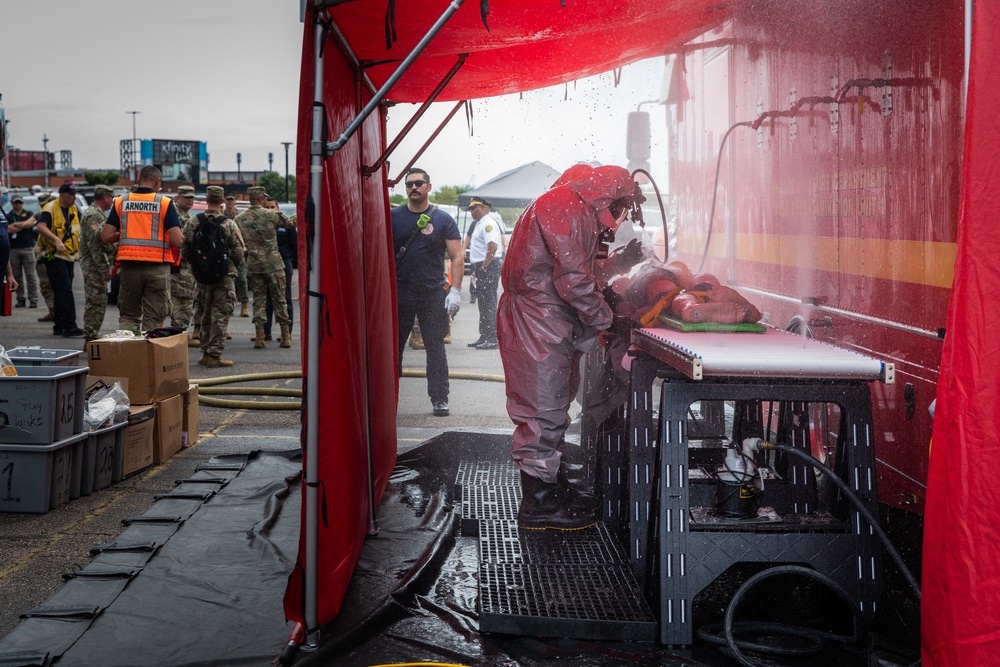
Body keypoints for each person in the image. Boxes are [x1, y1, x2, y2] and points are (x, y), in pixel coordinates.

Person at [497, 164, 641, 529]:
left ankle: (550, 488)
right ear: (609, 198)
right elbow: (575, 281)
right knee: (542, 409)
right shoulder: (566, 207)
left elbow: (580, 267)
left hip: (546, 319)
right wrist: (608, 320)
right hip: (539, 320)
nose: (614, 223)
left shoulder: (567, 206)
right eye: (619, 211)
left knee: (552, 406)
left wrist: (619, 263)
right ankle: (539, 504)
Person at [391, 167, 464, 417]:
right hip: (400, 293)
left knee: (435, 349)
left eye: (419, 183)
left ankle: (440, 399)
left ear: (428, 187)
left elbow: (457, 255)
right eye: (409, 184)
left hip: (432, 294)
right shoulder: (394, 216)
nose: (414, 187)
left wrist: (455, 290)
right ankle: (388, 399)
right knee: (393, 350)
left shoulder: (443, 219)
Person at [100, 166, 183, 332]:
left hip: (130, 267)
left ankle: (128, 355)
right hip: (157, 267)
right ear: (157, 181)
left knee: (129, 316)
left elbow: (106, 236)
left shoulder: (121, 202)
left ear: (138, 180)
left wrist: (124, 233)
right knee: (154, 318)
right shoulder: (164, 203)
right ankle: (149, 356)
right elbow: (177, 239)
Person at [181, 186, 245, 368]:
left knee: (204, 313)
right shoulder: (228, 224)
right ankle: (215, 355)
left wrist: (198, 265)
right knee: (221, 314)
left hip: (201, 277)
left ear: (206, 200)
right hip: (224, 276)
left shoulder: (194, 222)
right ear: (222, 200)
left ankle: (205, 352)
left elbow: (184, 248)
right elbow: (239, 252)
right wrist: (228, 264)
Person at [234, 186, 291, 348]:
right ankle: (285, 336)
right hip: (274, 266)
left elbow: (237, 242)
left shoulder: (240, 219)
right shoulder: (271, 215)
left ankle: (260, 337)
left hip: (254, 266)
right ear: (260, 199)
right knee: (280, 300)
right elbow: (289, 224)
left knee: (258, 302)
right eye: (264, 198)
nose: (266, 201)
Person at [35, 183, 84, 337]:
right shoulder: (50, 208)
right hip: (54, 255)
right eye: (71, 194)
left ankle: (59, 325)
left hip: (69, 255)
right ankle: (69, 326)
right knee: (65, 290)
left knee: (60, 291)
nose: (74, 197)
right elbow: (41, 226)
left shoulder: (73, 209)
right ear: (62, 194)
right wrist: (56, 240)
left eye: (75, 194)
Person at [79, 185, 117, 341]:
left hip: (95, 266)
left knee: (98, 302)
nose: (113, 201)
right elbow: (95, 246)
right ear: (105, 197)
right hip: (94, 268)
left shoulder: (97, 214)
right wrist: (104, 269)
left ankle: (92, 335)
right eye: (111, 198)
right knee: (95, 303)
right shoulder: (93, 215)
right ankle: (90, 337)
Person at [465, 197, 504, 349]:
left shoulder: (488, 223)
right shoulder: (479, 224)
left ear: (483, 207)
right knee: (482, 302)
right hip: (482, 266)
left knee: (488, 302)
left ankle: (492, 337)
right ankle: (484, 335)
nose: (471, 212)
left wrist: (484, 265)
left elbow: (493, 246)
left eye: (473, 208)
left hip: (488, 266)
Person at [262, 195, 296, 341]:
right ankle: (266, 332)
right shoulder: (261, 226)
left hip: (283, 264)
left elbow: (295, 245)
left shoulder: (286, 225)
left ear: (278, 208)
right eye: (267, 207)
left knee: (285, 297)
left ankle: (286, 332)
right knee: (266, 299)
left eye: (272, 207)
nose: (270, 210)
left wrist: (288, 259)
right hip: (265, 264)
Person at [170, 185, 199, 344]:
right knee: (183, 300)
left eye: (192, 197)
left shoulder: (183, 216)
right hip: (180, 266)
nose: (190, 200)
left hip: (181, 265)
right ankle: (180, 335)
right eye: (186, 197)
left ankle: (178, 333)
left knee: (181, 300)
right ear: (177, 198)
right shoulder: (179, 217)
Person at [5, 195, 39, 308]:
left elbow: (30, 224)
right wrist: (23, 225)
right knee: (17, 275)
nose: (17, 205)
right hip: (13, 249)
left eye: (19, 202)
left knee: (30, 275)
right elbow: (7, 229)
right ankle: (20, 298)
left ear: (22, 203)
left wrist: (16, 225)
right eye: (15, 203)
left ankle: (33, 299)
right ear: (11, 203)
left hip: (27, 248)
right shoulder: (8, 215)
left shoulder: (28, 213)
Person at [225, 193, 250, 318]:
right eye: (228, 200)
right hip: (226, 252)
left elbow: (245, 233)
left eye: (232, 200)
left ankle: (244, 306)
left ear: (235, 202)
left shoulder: (240, 217)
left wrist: (245, 248)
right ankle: (229, 307)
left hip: (239, 251)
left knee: (242, 280)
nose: (230, 202)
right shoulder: (222, 215)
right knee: (227, 281)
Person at [34, 192, 57, 321]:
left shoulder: (53, 212)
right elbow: (29, 222)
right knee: (46, 285)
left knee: (51, 285)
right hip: (44, 254)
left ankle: (56, 312)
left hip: (52, 253)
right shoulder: (44, 213)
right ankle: (52, 311)